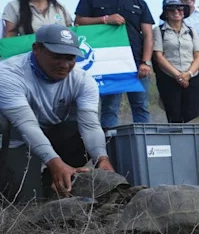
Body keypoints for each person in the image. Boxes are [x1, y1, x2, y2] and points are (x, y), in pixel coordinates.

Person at [0, 25, 114, 197]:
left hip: (50, 133)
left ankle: (53, 182)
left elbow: (90, 125)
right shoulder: (8, 74)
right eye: (57, 57)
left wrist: (101, 159)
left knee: (84, 131)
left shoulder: (82, 80)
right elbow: (26, 125)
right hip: (16, 140)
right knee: (24, 201)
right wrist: (54, 161)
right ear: (37, 49)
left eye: (70, 58)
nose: (64, 65)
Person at [74, 0, 154, 128]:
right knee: (109, 108)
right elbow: (78, 22)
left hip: (136, 62)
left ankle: (145, 145)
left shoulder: (139, 2)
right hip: (107, 63)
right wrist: (105, 19)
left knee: (141, 106)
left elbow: (148, 35)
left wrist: (145, 62)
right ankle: (109, 148)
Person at [152, 0, 199, 123]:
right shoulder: (158, 30)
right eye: (172, 9)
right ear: (166, 13)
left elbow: (198, 55)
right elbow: (158, 56)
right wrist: (178, 76)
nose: (176, 11)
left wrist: (188, 74)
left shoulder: (191, 31)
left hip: (192, 77)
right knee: (174, 115)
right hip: (169, 78)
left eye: (180, 8)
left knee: (193, 116)